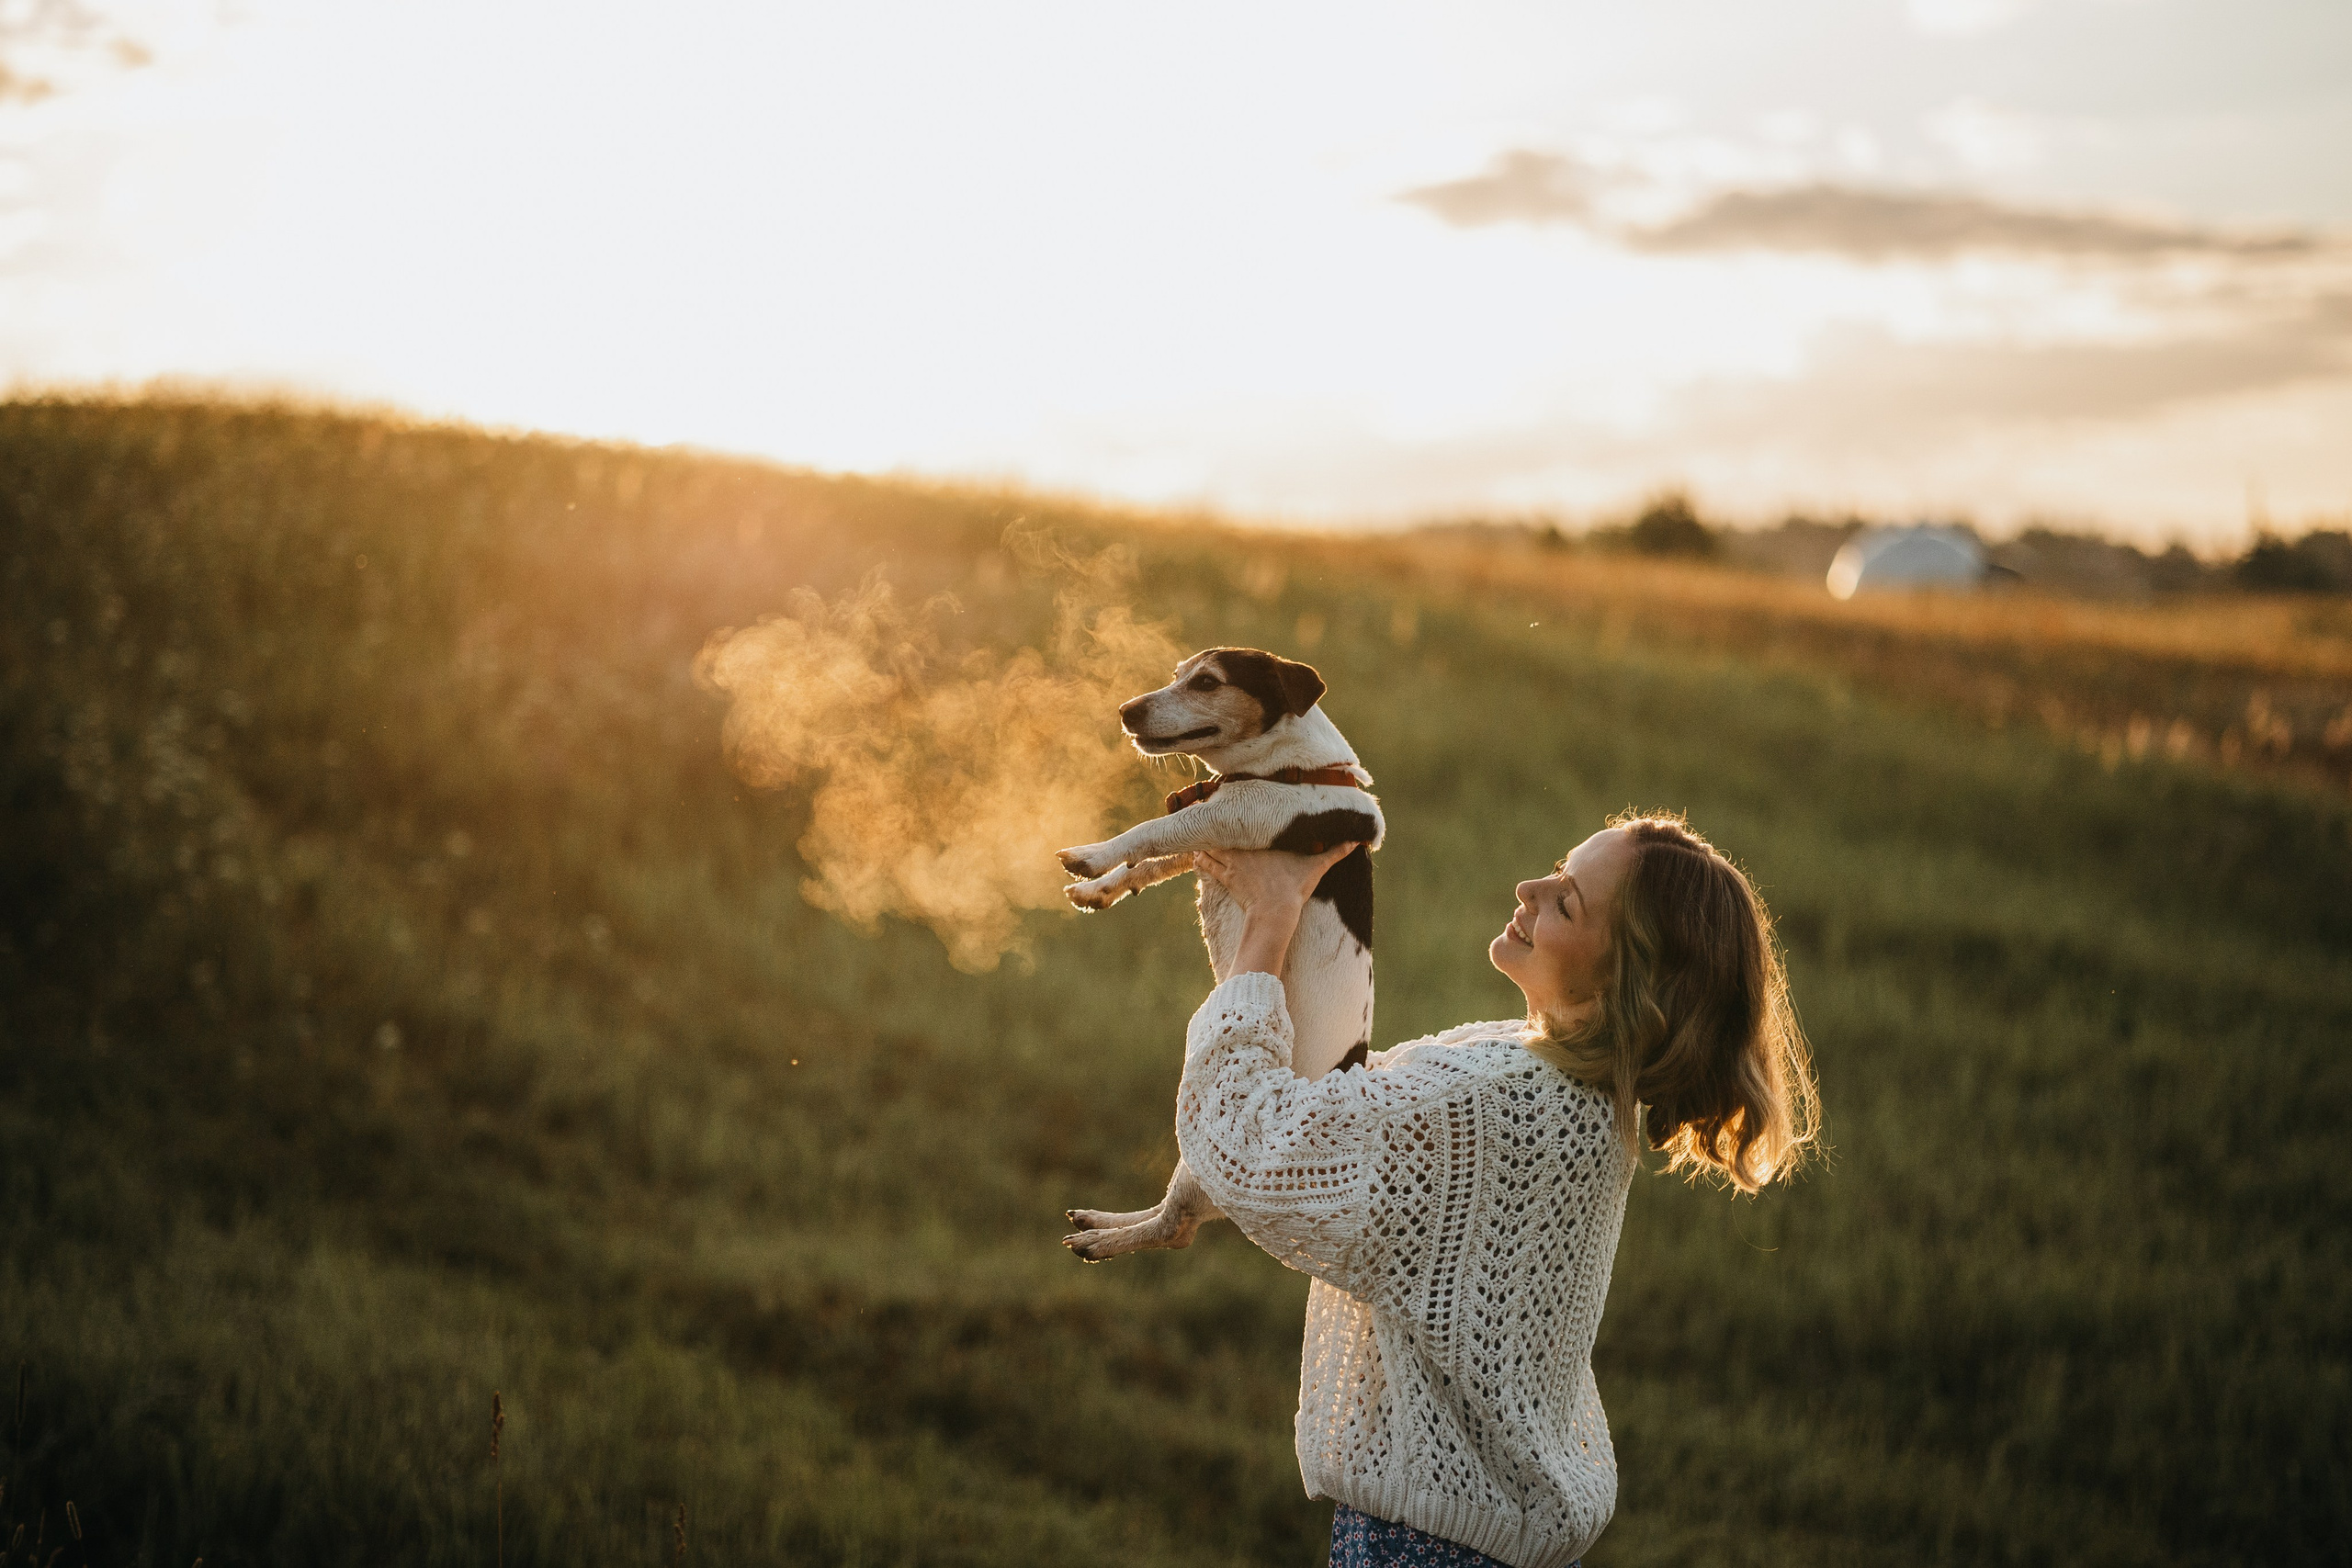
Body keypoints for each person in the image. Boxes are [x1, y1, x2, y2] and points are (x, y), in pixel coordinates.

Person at [1179, 812, 1819, 1568]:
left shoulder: (1495, 1104)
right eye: (1556, 867)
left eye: (1568, 901)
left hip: (1427, 1549)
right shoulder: (1574, 1092)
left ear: (1628, 977)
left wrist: (1272, 917)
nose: (1530, 887)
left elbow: (1251, 1140)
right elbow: (1344, 1116)